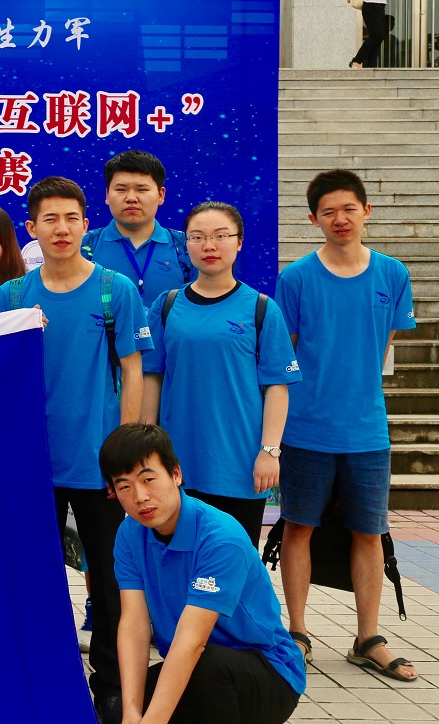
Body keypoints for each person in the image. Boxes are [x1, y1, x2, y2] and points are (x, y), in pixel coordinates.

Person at [0, 176, 151, 721]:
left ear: (86, 224)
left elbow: (133, 370)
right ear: (31, 229)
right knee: (32, 577)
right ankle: (39, 678)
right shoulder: (14, 296)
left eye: (71, 219)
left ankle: (111, 683)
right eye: (49, 220)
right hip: (33, 466)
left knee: (109, 579)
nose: (61, 229)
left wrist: (124, 456)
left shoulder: (114, 290)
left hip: (98, 465)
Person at [277, 169, 418, 681]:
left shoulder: (392, 274)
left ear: (366, 211)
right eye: (328, 211)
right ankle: (297, 632)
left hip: (366, 431)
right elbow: (285, 355)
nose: (340, 219)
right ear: (313, 219)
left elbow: (384, 346)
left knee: (369, 532)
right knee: (298, 529)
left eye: (349, 209)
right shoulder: (295, 278)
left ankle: (368, 637)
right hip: (306, 429)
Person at [102, 423, 304, 724]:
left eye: (148, 479)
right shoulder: (130, 533)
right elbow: (134, 624)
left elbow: (192, 642)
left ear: (176, 474)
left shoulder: (221, 539)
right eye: (124, 487)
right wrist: (132, 712)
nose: (140, 496)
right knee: (118, 711)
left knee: (206, 670)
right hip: (198, 665)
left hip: (269, 674)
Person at [140, 201, 301, 547]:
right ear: (186, 244)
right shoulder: (167, 306)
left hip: (239, 466)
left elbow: (277, 386)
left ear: (239, 242)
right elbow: (151, 378)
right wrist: (146, 448)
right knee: (176, 559)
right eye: (197, 237)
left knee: (234, 562)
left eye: (220, 236)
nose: (209, 246)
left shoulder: (261, 308)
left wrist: (270, 451)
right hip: (177, 464)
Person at [84, 150, 193, 306]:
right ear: (107, 195)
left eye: (142, 190)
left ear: (161, 195)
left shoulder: (186, 246)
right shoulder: (85, 245)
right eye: (121, 190)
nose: (131, 198)